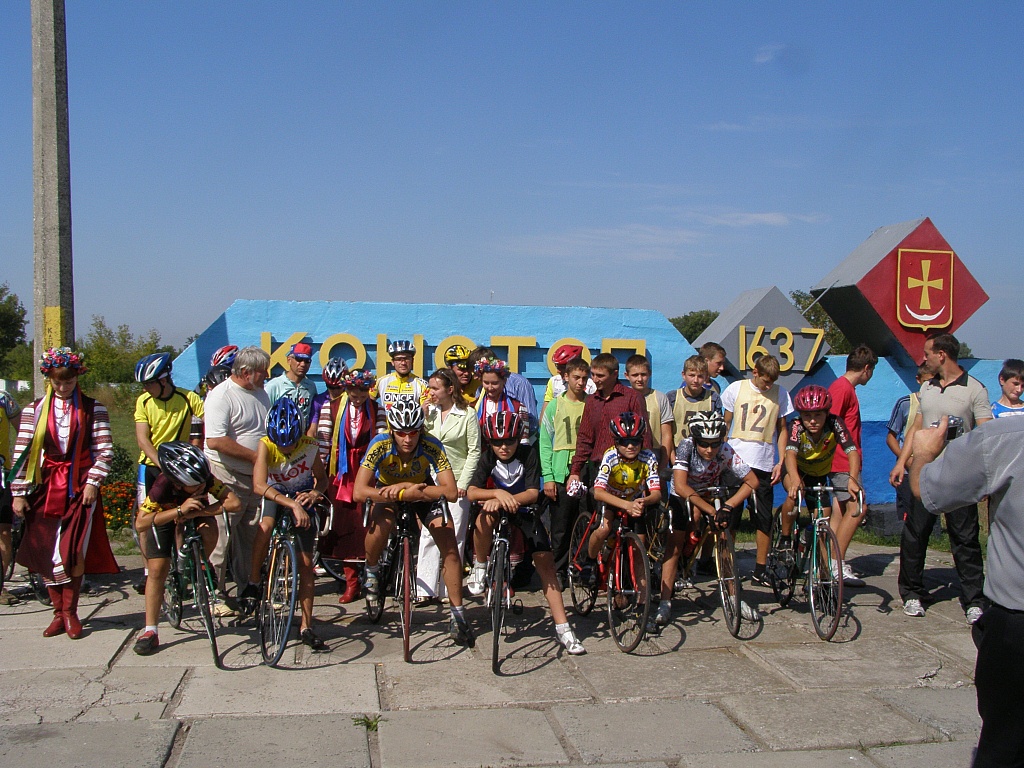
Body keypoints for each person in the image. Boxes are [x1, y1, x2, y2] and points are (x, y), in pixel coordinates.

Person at [908, 416, 1024, 767]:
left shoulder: (1006, 440)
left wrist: (923, 454)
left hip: (1015, 627)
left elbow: (928, 490)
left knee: (1005, 746)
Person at [10, 348, 115, 640]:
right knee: (45, 548)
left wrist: (93, 482)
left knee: (73, 549)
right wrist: (19, 492)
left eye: (68, 381)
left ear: (77, 378)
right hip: (45, 486)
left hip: (79, 486)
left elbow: (104, 450)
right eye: (57, 381)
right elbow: (23, 451)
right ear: (49, 379)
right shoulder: (34, 410)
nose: (62, 387)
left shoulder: (93, 409)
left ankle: (71, 611)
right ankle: (58, 612)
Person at [355, 399, 474, 646]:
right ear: (392, 431)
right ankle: (372, 569)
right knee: (381, 523)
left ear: (421, 430)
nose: (407, 439)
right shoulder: (380, 444)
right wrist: (400, 491)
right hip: (387, 491)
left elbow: (451, 492)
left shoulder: (431, 444)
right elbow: (359, 491)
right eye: (401, 433)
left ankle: (458, 613)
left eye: (413, 433)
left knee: (449, 541)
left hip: (421, 491)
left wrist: (410, 488)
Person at [890, 332, 991, 622]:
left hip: (959, 475)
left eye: (927, 354)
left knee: (965, 539)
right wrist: (901, 462)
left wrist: (985, 475)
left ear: (942, 355)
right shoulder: (927, 388)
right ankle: (912, 593)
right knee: (915, 534)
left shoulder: (975, 390)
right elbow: (917, 426)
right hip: (926, 473)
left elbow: (986, 434)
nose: (923, 359)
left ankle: (974, 600)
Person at [468, 411, 586, 655]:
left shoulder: (528, 454)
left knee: (546, 565)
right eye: (497, 442)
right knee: (483, 518)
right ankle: (480, 565)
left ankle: (564, 628)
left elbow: (532, 493)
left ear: (518, 438)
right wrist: (496, 494)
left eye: (509, 441)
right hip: (496, 507)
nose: (503, 447)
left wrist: (506, 499)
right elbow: (471, 491)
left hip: (525, 510)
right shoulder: (487, 457)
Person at [132, 442, 240, 656]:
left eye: (203, 483)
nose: (202, 487)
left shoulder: (203, 479)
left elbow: (234, 503)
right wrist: (180, 511)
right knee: (157, 569)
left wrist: (199, 512)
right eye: (196, 485)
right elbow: (141, 523)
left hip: (195, 510)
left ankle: (202, 563)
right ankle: (150, 631)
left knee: (209, 529)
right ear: (178, 483)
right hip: (163, 515)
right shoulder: (162, 486)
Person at [240, 398, 330, 651]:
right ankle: (253, 581)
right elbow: (259, 485)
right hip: (275, 494)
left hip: (301, 496)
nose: (286, 448)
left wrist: (314, 494)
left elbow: (322, 480)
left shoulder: (310, 446)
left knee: (305, 564)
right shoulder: (266, 444)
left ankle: (306, 626)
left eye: (290, 443)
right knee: (265, 527)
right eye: (281, 444)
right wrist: (290, 505)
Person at [657, 411, 757, 627]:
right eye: (704, 444)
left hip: (710, 491)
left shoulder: (725, 450)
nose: (710, 450)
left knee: (725, 542)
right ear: (695, 440)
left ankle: (734, 597)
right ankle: (664, 601)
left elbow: (752, 481)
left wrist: (728, 506)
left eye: (715, 444)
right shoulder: (686, 447)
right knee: (675, 545)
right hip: (683, 492)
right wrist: (711, 511)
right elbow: (681, 486)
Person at [203, 346, 272, 613]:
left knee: (251, 537)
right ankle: (216, 595)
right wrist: (256, 457)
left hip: (255, 479)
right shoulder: (221, 396)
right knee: (221, 537)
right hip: (226, 475)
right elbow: (216, 440)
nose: (266, 376)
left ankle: (248, 591)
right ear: (245, 372)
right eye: (262, 371)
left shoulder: (261, 393)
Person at [132, 352, 205, 595]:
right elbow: (143, 440)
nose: (145, 388)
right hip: (152, 466)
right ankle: (148, 572)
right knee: (144, 520)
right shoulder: (143, 401)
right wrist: (164, 465)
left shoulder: (188, 398)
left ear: (164, 380)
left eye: (149, 383)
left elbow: (208, 421)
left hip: (181, 467)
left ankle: (182, 571)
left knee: (179, 518)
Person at [774, 385, 861, 585]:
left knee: (823, 521)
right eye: (807, 415)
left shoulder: (835, 423)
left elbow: (852, 452)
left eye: (818, 415)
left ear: (827, 413)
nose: (812, 421)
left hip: (818, 474)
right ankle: (785, 540)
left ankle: (822, 575)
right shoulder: (796, 425)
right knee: (794, 495)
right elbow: (790, 454)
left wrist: (853, 479)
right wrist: (795, 478)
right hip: (795, 469)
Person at [720, 354, 793, 583]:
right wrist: (722, 454)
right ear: (755, 372)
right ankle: (728, 568)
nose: (768, 386)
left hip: (763, 461)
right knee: (730, 516)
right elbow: (726, 423)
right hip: (736, 460)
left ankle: (760, 569)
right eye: (765, 381)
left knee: (763, 518)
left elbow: (782, 429)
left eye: (772, 382)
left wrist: (780, 461)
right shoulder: (736, 388)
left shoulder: (781, 393)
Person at [417, 368, 481, 604]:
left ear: (450, 389)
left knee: (455, 534)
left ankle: (448, 590)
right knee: (429, 532)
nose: (431, 392)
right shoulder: (429, 413)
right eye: (430, 388)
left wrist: (463, 483)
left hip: (456, 479)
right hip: (432, 479)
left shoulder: (467, 414)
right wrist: (423, 416)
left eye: (435, 388)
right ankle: (424, 588)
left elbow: (474, 451)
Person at [316, 368, 378, 604]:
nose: (358, 398)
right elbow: (323, 442)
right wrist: (319, 475)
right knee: (344, 527)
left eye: (363, 394)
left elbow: (381, 440)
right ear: (346, 389)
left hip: (366, 470)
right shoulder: (330, 408)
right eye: (354, 394)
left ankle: (372, 575)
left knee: (368, 523)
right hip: (339, 472)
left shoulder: (377, 409)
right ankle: (351, 582)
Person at [581, 412, 661, 585]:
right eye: (624, 442)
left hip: (635, 500)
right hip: (611, 498)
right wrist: (626, 505)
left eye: (636, 441)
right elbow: (598, 492)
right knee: (604, 528)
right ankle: (589, 561)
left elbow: (656, 493)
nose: (630, 446)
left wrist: (644, 501)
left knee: (639, 546)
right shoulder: (610, 456)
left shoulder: (648, 457)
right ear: (616, 443)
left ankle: (638, 591)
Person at [826, 344, 877, 587]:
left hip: (844, 461)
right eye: (872, 371)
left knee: (840, 511)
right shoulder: (842, 388)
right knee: (858, 508)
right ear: (867, 368)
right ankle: (837, 563)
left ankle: (826, 563)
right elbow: (829, 424)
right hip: (842, 461)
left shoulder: (845, 388)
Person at [567, 353, 651, 496]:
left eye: (600, 376)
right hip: (598, 469)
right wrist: (575, 471)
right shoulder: (592, 400)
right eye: (593, 375)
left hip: (628, 469)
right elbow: (585, 438)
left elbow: (644, 436)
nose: (595, 379)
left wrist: (645, 473)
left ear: (615, 374)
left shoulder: (632, 397)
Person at [539, 355, 590, 588]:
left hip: (586, 469)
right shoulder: (555, 406)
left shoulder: (591, 404)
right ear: (566, 377)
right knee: (560, 526)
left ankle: (581, 567)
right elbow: (545, 443)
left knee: (585, 521)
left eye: (584, 378)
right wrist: (548, 477)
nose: (580, 382)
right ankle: (558, 569)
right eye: (576, 377)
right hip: (561, 471)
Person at [885, 365, 929, 529]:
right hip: (908, 469)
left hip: (930, 467)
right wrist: (905, 460)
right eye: (926, 382)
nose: (929, 387)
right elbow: (891, 438)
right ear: (918, 380)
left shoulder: (940, 403)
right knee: (909, 515)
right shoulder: (906, 403)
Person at [468, 345, 539, 438]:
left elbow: (532, 422)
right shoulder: (480, 389)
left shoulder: (520, 383)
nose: (475, 377)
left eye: (476, 372)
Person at [624, 354, 674, 470]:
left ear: (650, 374)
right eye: (635, 375)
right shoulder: (622, 398)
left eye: (643, 374)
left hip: (654, 453)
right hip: (627, 451)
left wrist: (663, 465)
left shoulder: (660, 397)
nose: (639, 379)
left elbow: (666, 434)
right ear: (627, 376)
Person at [666, 355, 722, 449]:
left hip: (704, 451)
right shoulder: (672, 397)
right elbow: (667, 432)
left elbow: (718, 430)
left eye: (700, 376)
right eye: (692, 375)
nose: (695, 380)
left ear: (706, 377)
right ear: (683, 375)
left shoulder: (713, 398)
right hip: (677, 449)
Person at [375, 339, 429, 431]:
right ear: (392, 362)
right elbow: (367, 401)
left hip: (410, 433)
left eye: (407, 358)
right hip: (387, 432)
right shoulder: (381, 382)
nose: (403, 363)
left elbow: (426, 410)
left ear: (412, 360)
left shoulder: (422, 384)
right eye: (399, 359)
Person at [265, 342, 319, 426]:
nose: (303, 364)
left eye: (307, 361)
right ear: (289, 360)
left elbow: (313, 415)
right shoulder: (274, 386)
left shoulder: (311, 386)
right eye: (299, 359)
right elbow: (265, 415)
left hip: (303, 433)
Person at [0, 390, 21, 605]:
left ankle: (0, 586)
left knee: (4, 531)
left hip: (2, 475)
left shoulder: (3, 399)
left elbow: (23, 433)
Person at [542, 344, 596, 408]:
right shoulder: (554, 381)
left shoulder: (591, 386)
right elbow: (546, 407)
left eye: (562, 367)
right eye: (557, 367)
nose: (558, 371)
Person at [308, 357, 347, 438]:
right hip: (324, 443)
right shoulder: (318, 401)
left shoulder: (350, 400)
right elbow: (312, 430)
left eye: (338, 387)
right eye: (331, 387)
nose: (335, 391)